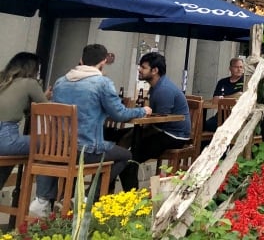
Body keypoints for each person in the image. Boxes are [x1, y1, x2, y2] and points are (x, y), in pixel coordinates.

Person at [30, 44, 150, 218]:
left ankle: (42, 200)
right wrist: (143, 111)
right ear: (103, 62)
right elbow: (120, 114)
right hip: (85, 150)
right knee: (125, 156)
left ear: (81, 60)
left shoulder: (61, 81)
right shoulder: (102, 83)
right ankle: (86, 196)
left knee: (78, 152)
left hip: (56, 149)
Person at [119, 52, 191, 191]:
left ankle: (132, 200)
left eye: (143, 67)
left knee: (129, 160)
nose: (139, 69)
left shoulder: (164, 89)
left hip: (174, 135)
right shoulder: (156, 86)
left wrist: (134, 133)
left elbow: (160, 120)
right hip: (162, 129)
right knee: (119, 138)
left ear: (155, 70)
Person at [0, 53, 50, 188]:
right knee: (50, 143)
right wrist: (43, 93)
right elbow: (47, 109)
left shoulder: (2, 79)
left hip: (5, 142)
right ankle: (43, 198)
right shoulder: (30, 83)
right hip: (6, 140)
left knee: (10, 157)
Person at [204, 57, 244, 132]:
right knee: (206, 126)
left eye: (241, 67)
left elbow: (242, 98)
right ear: (230, 68)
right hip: (220, 115)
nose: (239, 69)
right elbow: (215, 100)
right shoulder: (222, 82)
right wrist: (235, 95)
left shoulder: (245, 82)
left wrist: (222, 98)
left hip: (237, 117)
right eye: (236, 67)